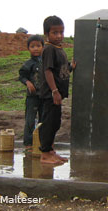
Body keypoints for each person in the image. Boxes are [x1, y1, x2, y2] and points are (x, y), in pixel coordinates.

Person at [39, 15, 76, 164]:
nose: (59, 35)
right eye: (55, 32)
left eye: (61, 32)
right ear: (46, 34)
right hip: (51, 94)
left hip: (58, 94)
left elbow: (61, 70)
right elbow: (47, 71)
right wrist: (54, 91)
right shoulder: (49, 49)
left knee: (55, 122)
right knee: (49, 122)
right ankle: (45, 153)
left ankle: (50, 150)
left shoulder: (59, 49)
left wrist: (71, 67)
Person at [19, 35, 44, 152]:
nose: (36, 49)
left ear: (43, 47)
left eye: (38, 46)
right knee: (30, 120)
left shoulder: (46, 61)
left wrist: (70, 67)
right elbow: (21, 76)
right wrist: (28, 82)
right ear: (28, 48)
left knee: (43, 119)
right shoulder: (28, 64)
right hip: (32, 97)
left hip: (44, 96)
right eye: (32, 46)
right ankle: (28, 144)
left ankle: (42, 142)